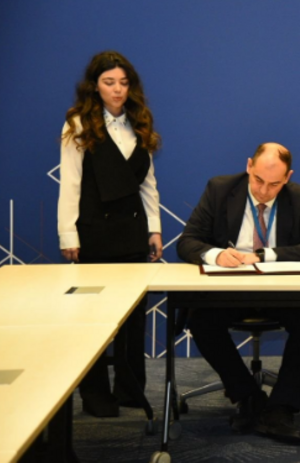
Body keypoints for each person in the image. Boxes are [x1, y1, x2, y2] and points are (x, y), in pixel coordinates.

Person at [177, 142, 300, 445]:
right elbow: (187, 242)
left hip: (280, 292)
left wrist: (262, 256)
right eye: (258, 180)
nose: (263, 191)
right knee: (201, 319)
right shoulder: (220, 189)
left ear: (288, 178)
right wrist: (216, 255)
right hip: (231, 291)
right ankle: (248, 396)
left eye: (274, 184)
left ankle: (282, 406)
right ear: (248, 166)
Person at [58, 50, 163, 417]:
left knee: (134, 318)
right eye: (109, 82)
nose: (117, 89)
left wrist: (154, 228)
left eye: (123, 82)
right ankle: (96, 395)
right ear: (95, 86)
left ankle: (131, 389)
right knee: (93, 318)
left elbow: (147, 182)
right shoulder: (78, 123)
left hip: (132, 230)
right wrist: (68, 235)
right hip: (94, 232)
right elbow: (70, 183)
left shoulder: (140, 121)